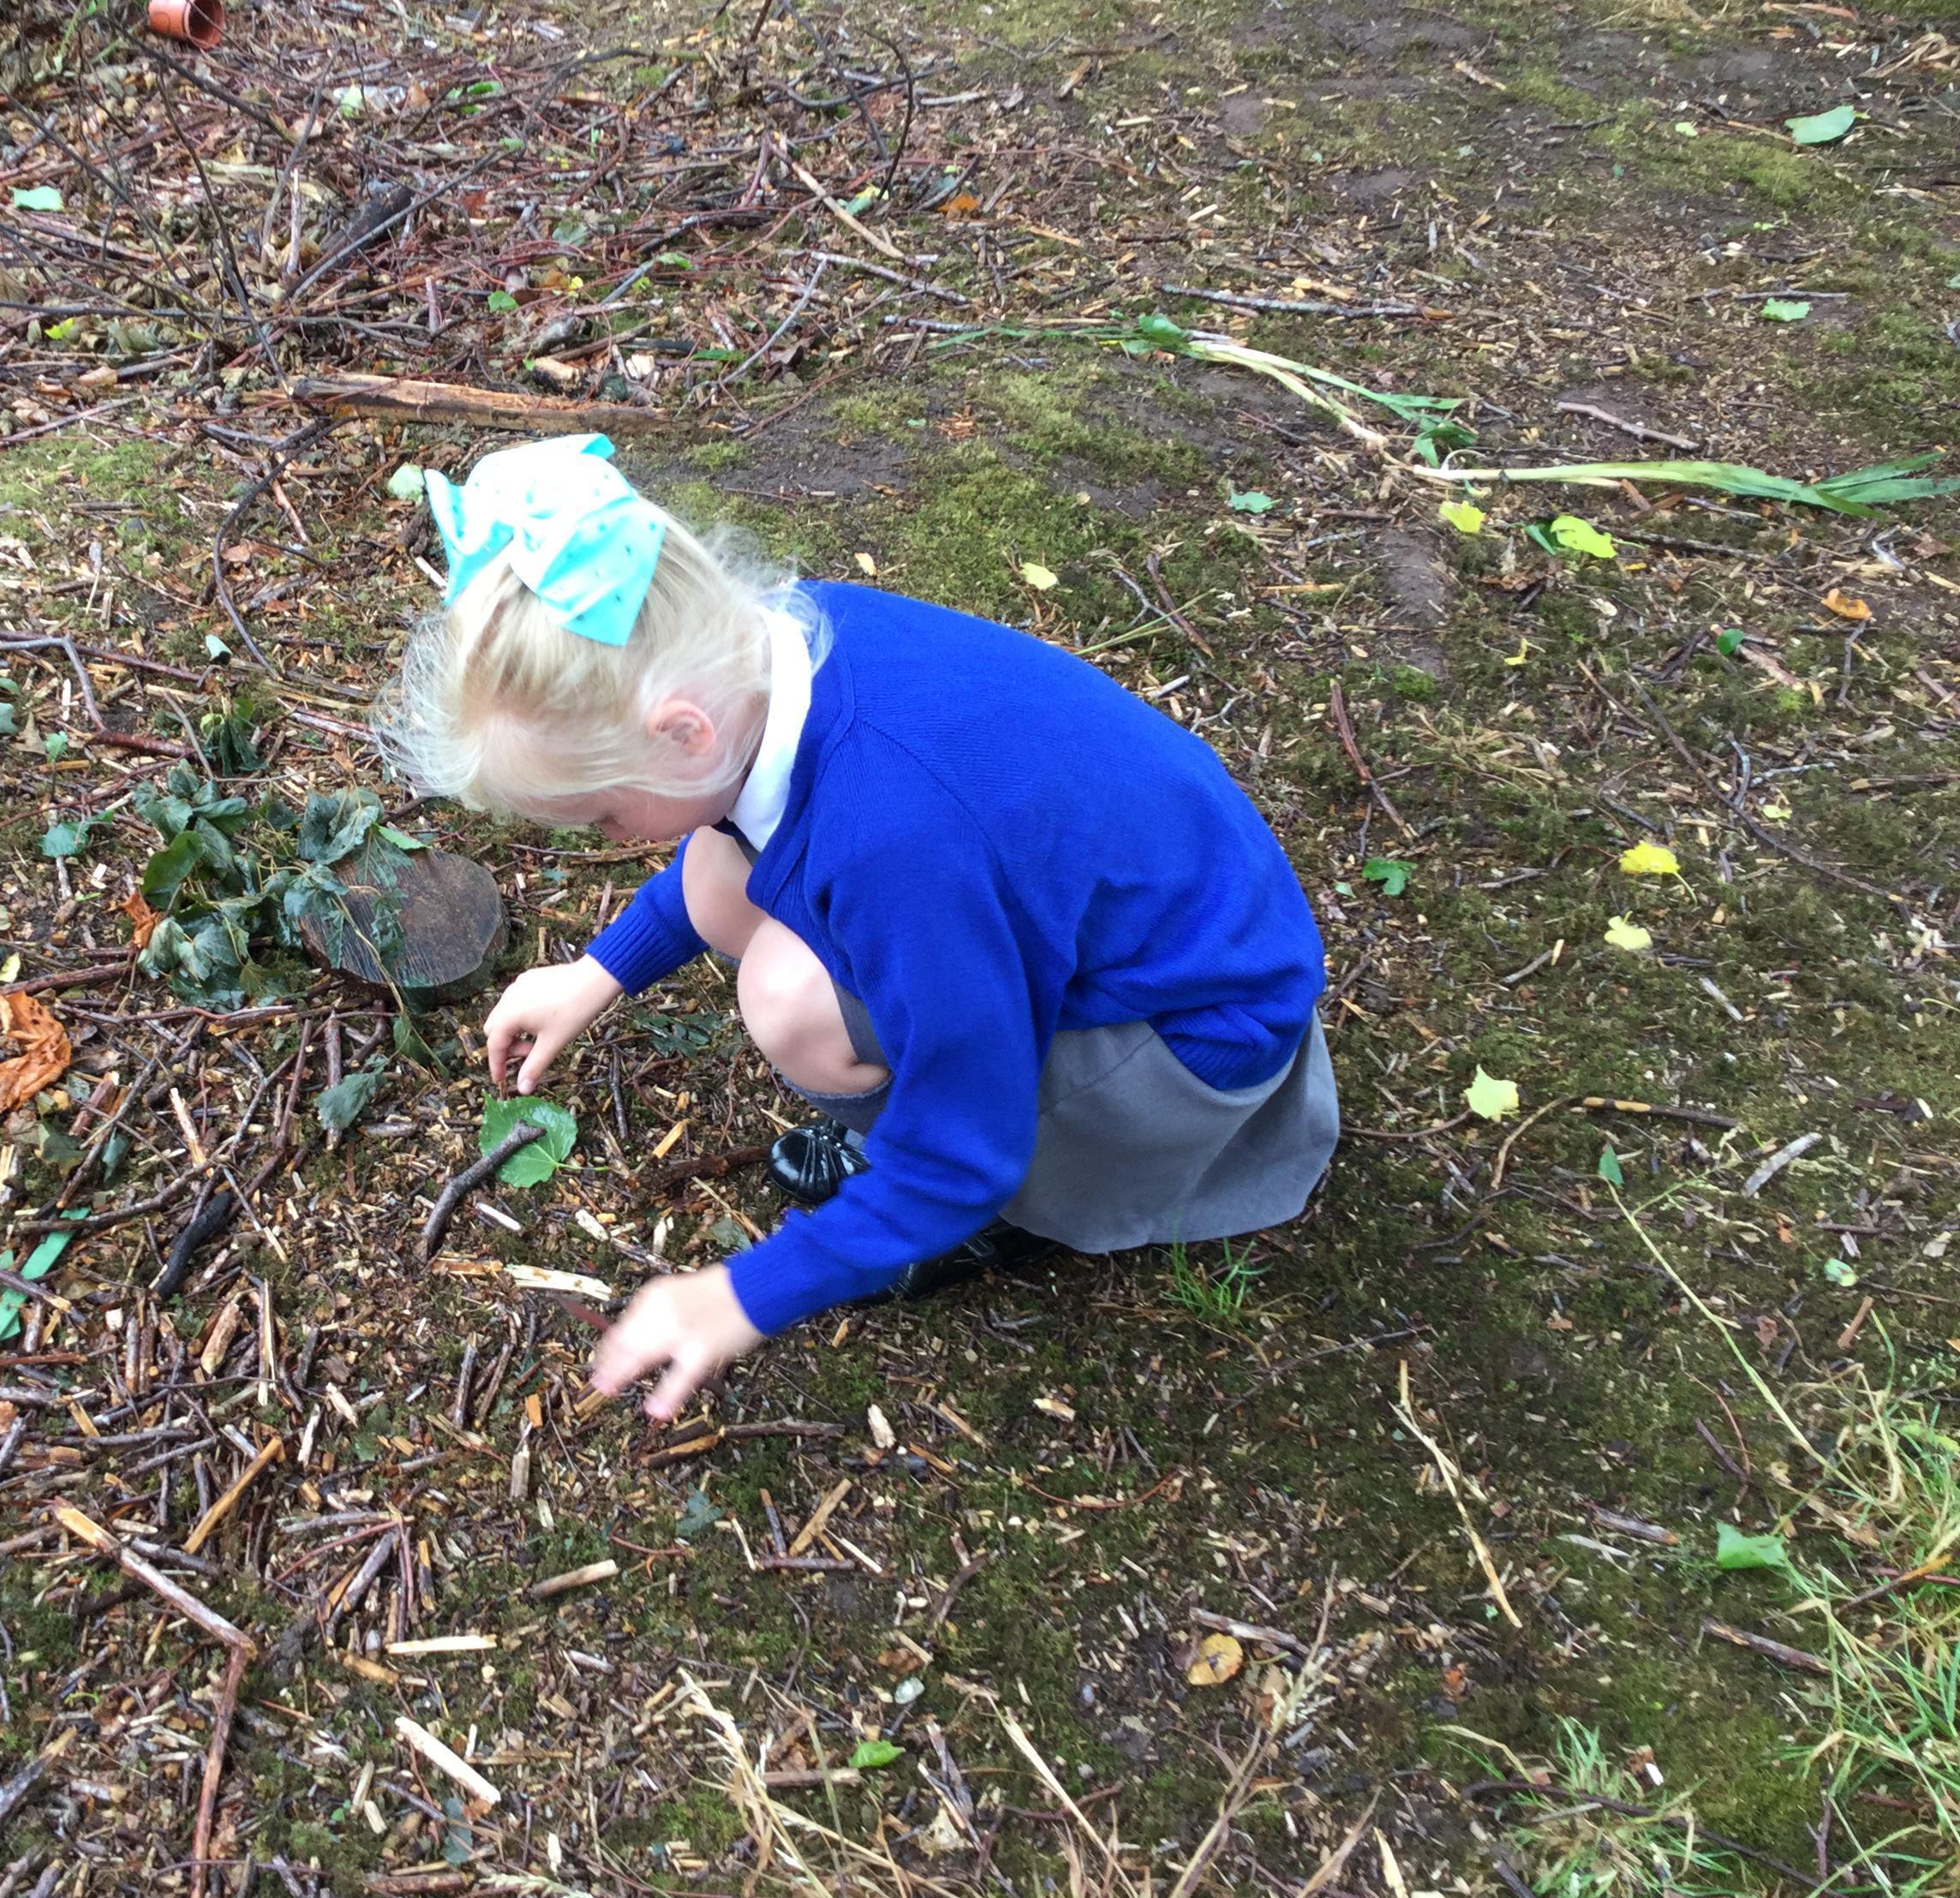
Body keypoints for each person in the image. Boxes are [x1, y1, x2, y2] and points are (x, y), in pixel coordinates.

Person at [375, 434, 1336, 1422]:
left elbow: (966, 1145)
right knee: (717, 872)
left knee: (789, 1003)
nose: (605, 839)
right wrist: (598, 973)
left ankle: (1003, 1215)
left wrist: (742, 1294)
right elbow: (738, 840)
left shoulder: (897, 843)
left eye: (603, 816)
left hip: (1193, 1044)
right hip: (1145, 925)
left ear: (682, 733)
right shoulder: (782, 646)